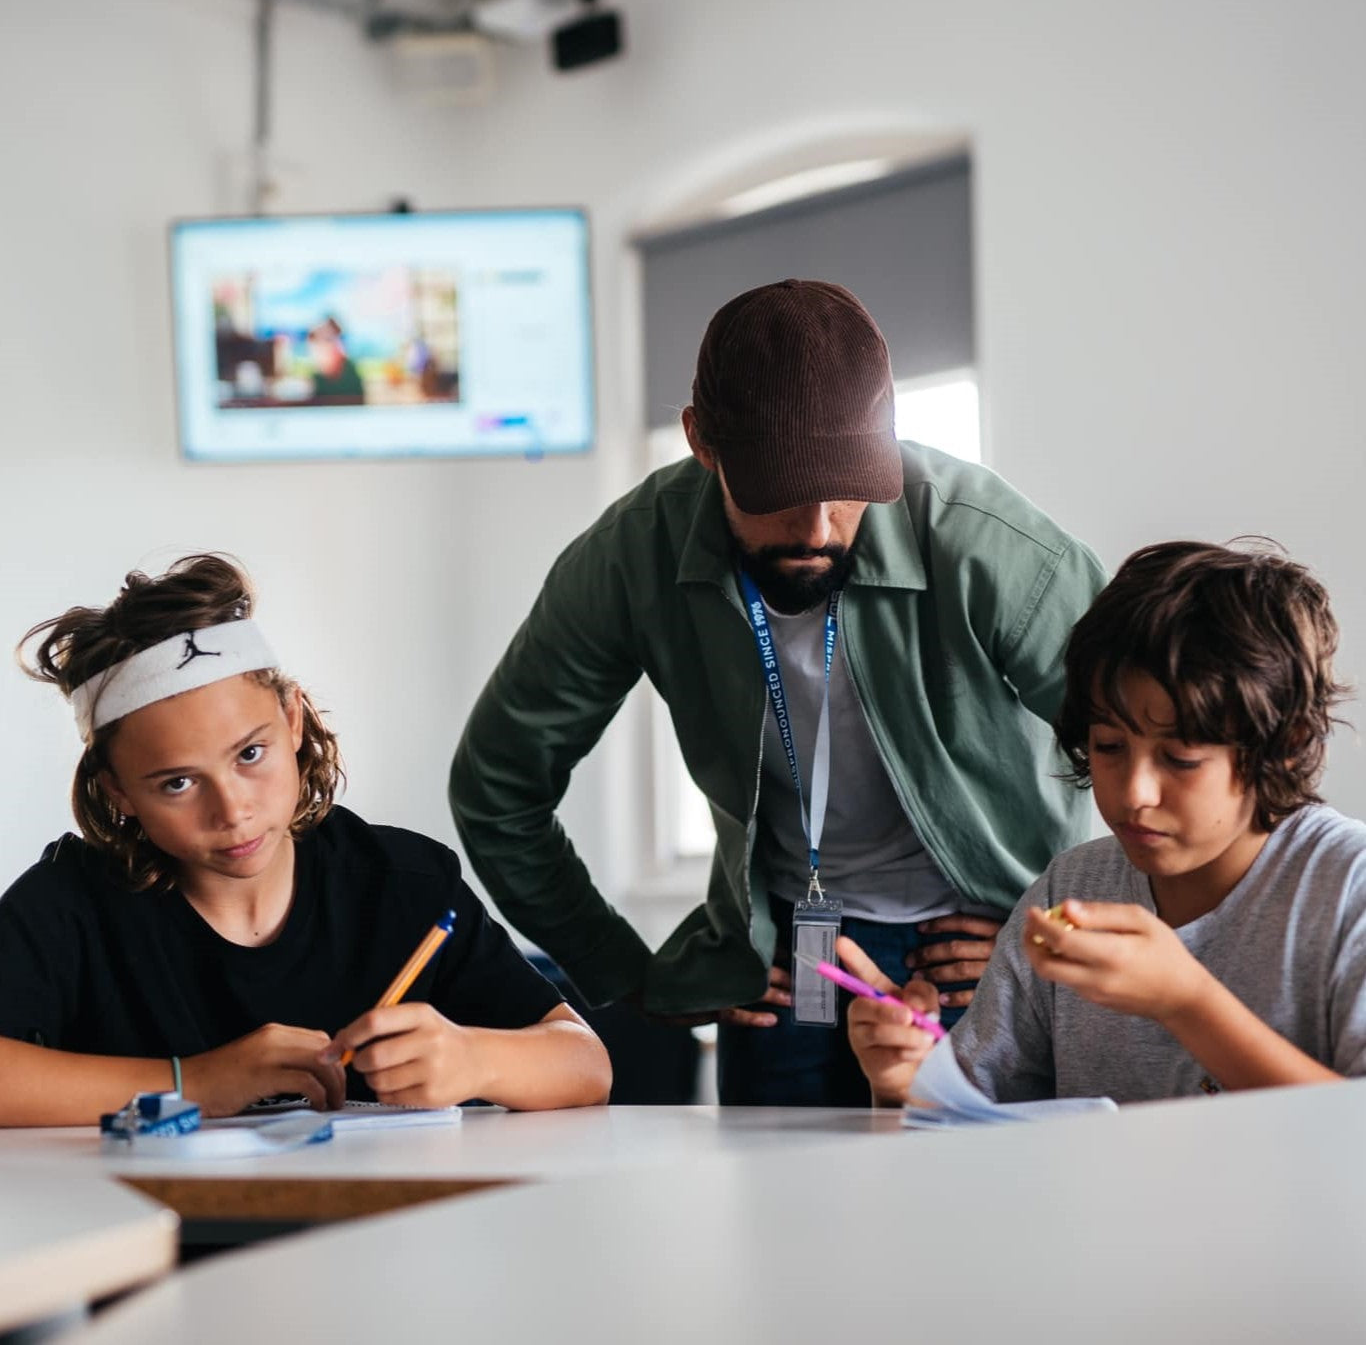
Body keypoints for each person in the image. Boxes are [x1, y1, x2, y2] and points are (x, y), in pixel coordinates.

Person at [450, 279, 1107, 1105]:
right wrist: (627, 973)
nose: (819, 528)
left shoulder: (991, 547)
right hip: (779, 954)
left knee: (992, 1216)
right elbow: (496, 785)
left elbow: (1155, 752)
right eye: (781, 491)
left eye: (847, 487)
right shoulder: (631, 555)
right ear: (701, 443)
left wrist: (1051, 927)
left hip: (977, 942)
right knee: (782, 1220)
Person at [0, 555, 610, 1126]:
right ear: (118, 792)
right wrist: (194, 1084)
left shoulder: (403, 883)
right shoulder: (69, 907)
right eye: (178, 782)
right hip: (162, 1236)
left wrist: (476, 1059)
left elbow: (586, 1065)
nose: (233, 810)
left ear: (293, 719)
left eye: (250, 753)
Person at [843, 540, 1366, 1107]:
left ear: (1283, 748)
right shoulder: (1070, 890)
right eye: (1110, 746)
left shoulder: (1348, 890)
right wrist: (904, 1086)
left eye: (1181, 758)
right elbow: (969, 1136)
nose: (1135, 793)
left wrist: (1187, 1001)